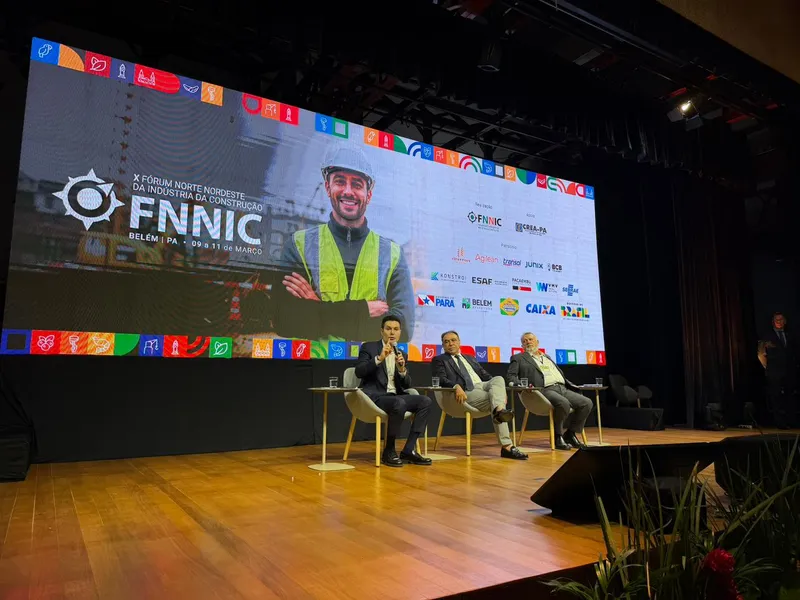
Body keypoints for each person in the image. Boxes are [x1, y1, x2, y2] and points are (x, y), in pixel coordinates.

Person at [278, 144, 415, 342]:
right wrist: (362, 312)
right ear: (327, 186)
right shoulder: (299, 245)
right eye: (340, 181)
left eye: (357, 184)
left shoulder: (392, 254)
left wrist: (318, 309)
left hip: (373, 368)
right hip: (316, 369)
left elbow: (404, 330)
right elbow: (286, 320)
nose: (348, 191)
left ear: (369, 192)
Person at [430, 331, 526, 460]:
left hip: (482, 386)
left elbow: (485, 375)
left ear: (459, 342)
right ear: (443, 345)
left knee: (498, 379)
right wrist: (455, 386)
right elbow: (440, 379)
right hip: (466, 392)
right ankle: (507, 445)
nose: (450, 344)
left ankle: (499, 409)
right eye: (446, 342)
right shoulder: (439, 360)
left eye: (453, 340)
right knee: (495, 401)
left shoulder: (470, 358)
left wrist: (500, 390)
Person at [354, 316, 432, 467]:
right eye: (388, 328)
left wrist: (402, 369)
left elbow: (407, 384)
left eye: (396, 329)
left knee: (425, 401)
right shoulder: (369, 348)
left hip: (395, 396)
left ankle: (409, 450)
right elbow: (359, 371)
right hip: (375, 397)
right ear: (381, 331)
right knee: (399, 402)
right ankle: (389, 450)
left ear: (400, 332)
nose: (392, 332)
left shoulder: (401, 353)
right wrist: (379, 358)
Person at [506, 332, 593, 451]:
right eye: (525, 341)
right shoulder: (518, 358)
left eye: (530, 339)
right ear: (522, 345)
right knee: (563, 403)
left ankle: (570, 434)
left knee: (586, 403)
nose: (528, 342)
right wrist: (522, 385)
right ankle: (558, 436)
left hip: (562, 388)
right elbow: (511, 377)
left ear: (537, 342)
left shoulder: (547, 357)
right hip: (543, 390)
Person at [759, 312, 797, 429]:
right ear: (773, 322)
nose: (779, 322)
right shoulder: (767, 336)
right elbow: (761, 354)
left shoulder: (790, 335)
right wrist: (768, 368)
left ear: (784, 321)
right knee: (776, 397)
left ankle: (791, 421)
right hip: (774, 372)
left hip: (789, 371)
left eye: (781, 319)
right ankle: (779, 422)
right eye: (776, 320)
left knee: (789, 397)